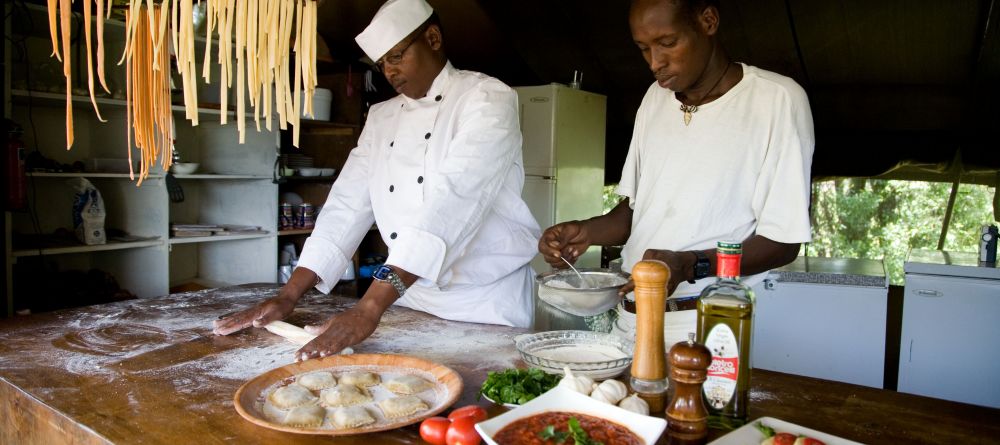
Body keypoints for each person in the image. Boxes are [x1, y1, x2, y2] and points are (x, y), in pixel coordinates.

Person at [214, 0, 540, 361]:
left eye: (397, 56)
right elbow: (346, 205)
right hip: (408, 300)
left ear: (432, 39)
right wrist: (290, 294)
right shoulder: (382, 117)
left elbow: (453, 201)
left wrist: (369, 307)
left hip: (485, 304)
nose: (390, 72)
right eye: (382, 63)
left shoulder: (487, 98)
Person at [539, 0, 813, 345]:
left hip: (708, 324)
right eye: (644, 49)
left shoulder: (776, 100)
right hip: (630, 319)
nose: (655, 63)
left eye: (668, 43)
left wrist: (689, 264)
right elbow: (634, 213)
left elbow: (783, 243)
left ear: (708, 21)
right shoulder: (655, 99)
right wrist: (586, 231)